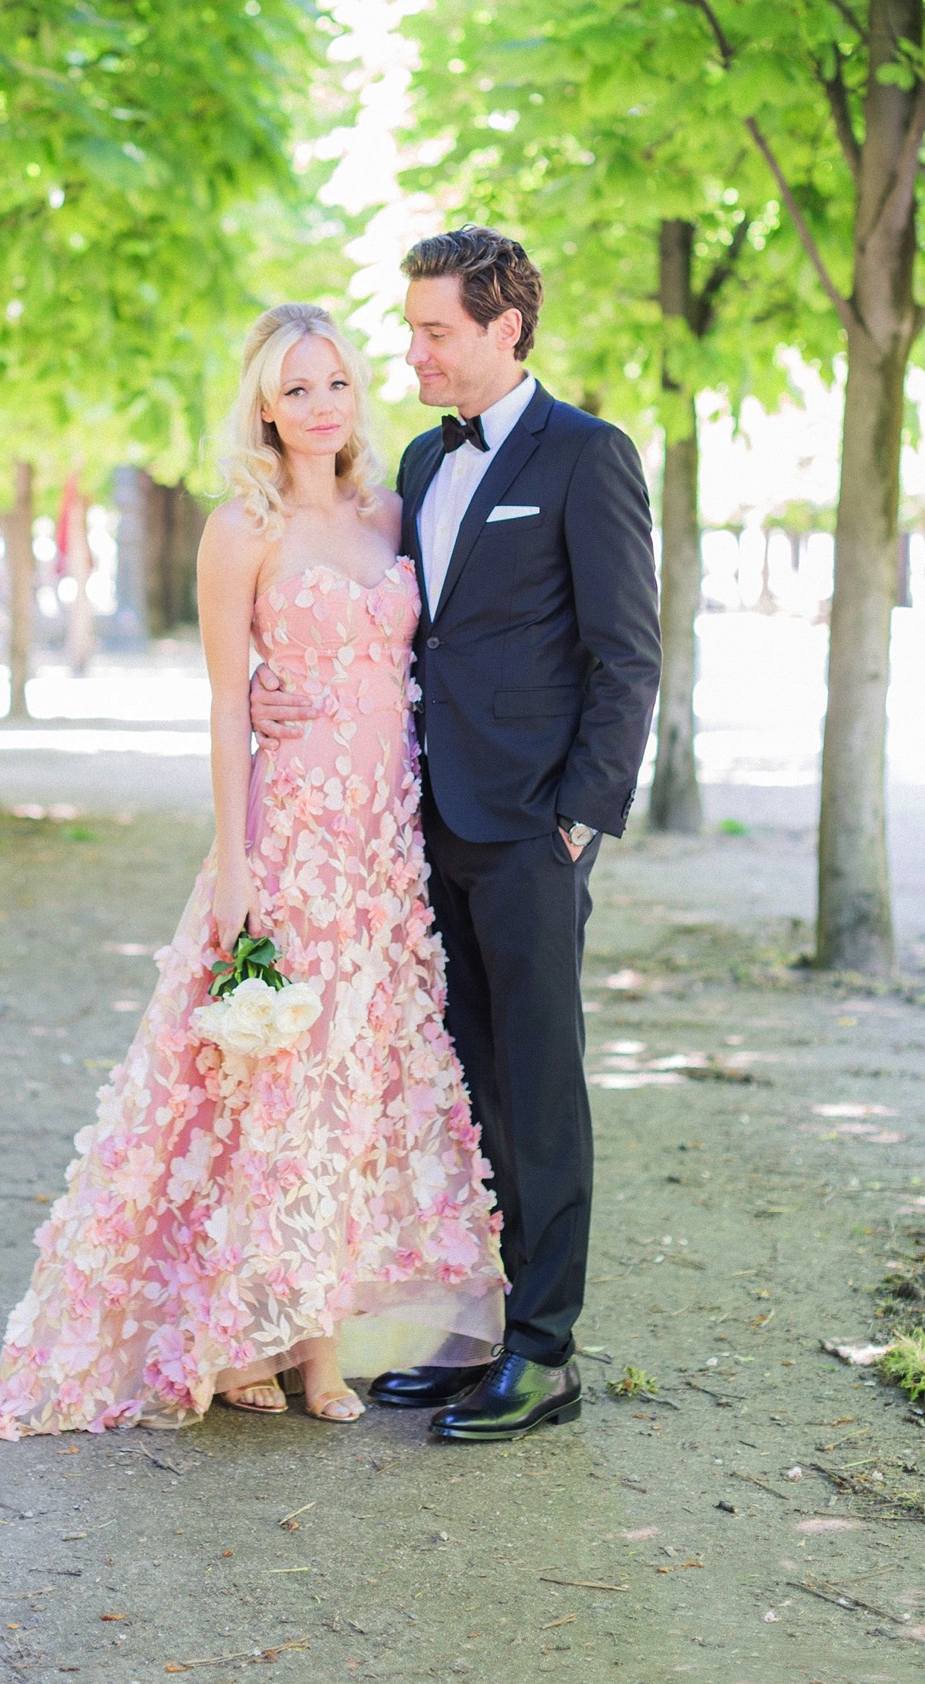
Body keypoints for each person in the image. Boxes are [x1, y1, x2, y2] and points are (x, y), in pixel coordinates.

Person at [0, 304, 503, 1438]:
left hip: (386, 843)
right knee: (272, 1082)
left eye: (337, 385)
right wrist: (235, 874)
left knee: (353, 1082)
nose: (321, 406)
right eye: (297, 388)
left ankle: (315, 1333)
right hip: (294, 834)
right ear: (264, 404)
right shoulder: (241, 529)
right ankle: (266, 1340)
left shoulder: (392, 510)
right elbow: (226, 705)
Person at [251, 228, 662, 1441]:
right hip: (417, 825)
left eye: (435, 331)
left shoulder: (588, 457)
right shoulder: (422, 464)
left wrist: (581, 821)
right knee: (463, 1089)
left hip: (533, 833)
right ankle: (482, 1333)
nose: (413, 351)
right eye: (414, 327)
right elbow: (382, 629)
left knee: (538, 1086)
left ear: (503, 330)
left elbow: (626, 655)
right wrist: (277, 690)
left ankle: (546, 1353)